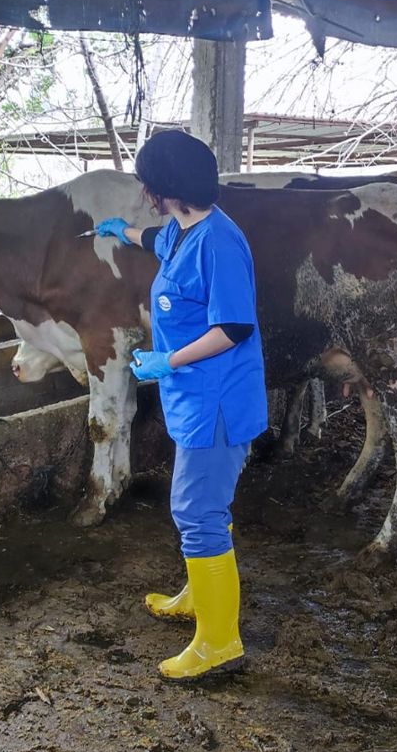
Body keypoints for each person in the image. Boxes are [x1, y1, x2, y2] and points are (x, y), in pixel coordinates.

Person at [93, 130, 268, 681]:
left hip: (217, 399)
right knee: (205, 507)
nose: (144, 193)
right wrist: (123, 232)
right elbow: (158, 240)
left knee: (197, 511)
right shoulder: (183, 226)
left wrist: (168, 361)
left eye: (147, 184)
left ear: (162, 189)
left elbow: (234, 326)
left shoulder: (218, 242)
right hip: (195, 396)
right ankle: (199, 596)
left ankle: (220, 643)